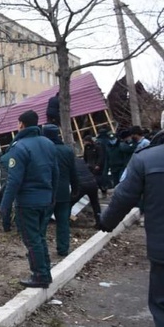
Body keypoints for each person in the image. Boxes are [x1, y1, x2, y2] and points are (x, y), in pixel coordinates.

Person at [99, 133, 164, 326]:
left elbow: (123, 197)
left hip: (161, 248)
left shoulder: (146, 158)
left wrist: (106, 222)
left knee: (161, 304)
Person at [0, 110, 59, 288]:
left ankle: (40, 275)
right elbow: (55, 173)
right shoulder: (48, 144)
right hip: (46, 199)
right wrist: (52, 197)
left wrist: (5, 205)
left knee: (32, 240)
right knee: (40, 238)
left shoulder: (19, 147)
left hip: (27, 202)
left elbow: (14, 180)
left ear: (21, 124)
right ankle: (45, 271)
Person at [42, 124, 78, 256]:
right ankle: (63, 248)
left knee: (43, 223)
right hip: (63, 192)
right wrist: (75, 188)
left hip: (47, 193)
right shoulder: (67, 150)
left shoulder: (44, 150)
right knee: (63, 222)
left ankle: (42, 249)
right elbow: (73, 172)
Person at [70, 157, 102, 228]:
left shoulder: (69, 163)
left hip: (82, 184)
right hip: (93, 183)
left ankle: (66, 221)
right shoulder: (81, 161)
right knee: (95, 203)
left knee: (69, 203)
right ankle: (99, 222)